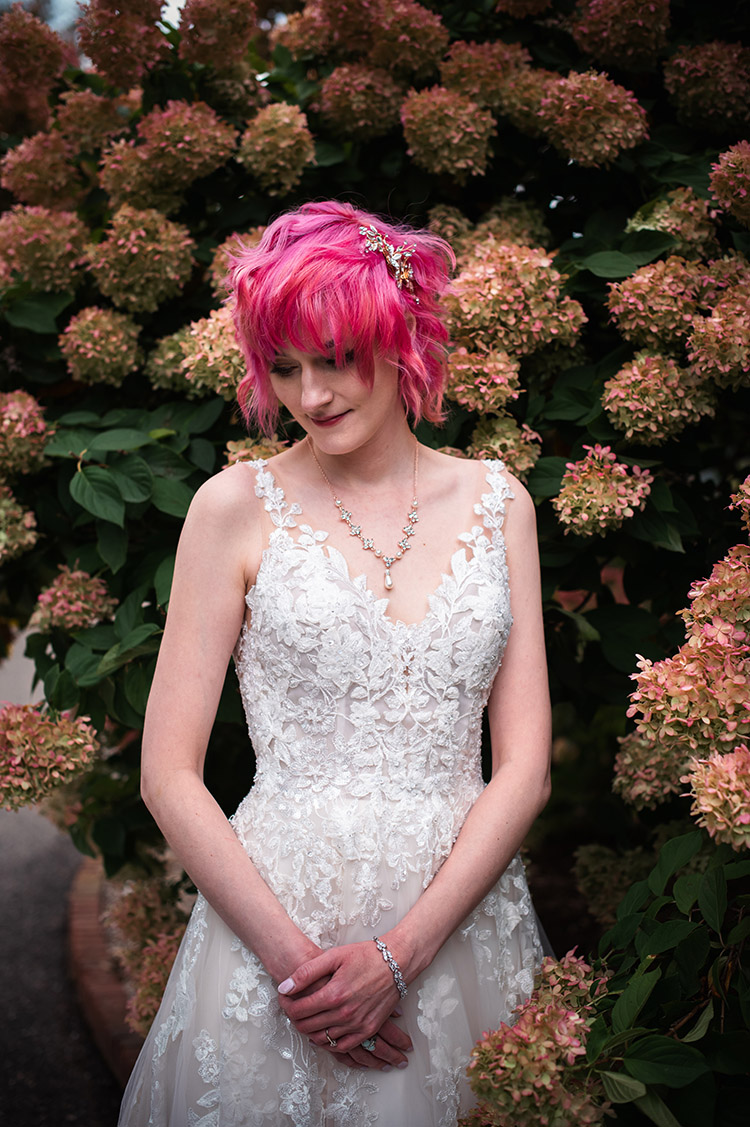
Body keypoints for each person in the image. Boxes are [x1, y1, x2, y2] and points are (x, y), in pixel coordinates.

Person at [118, 200, 551, 1127]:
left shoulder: (498, 502)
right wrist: (300, 973)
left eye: (335, 357)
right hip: (283, 926)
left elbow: (524, 768)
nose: (311, 395)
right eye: (284, 367)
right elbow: (167, 773)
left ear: (398, 341)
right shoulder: (233, 507)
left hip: (459, 918)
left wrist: (401, 954)